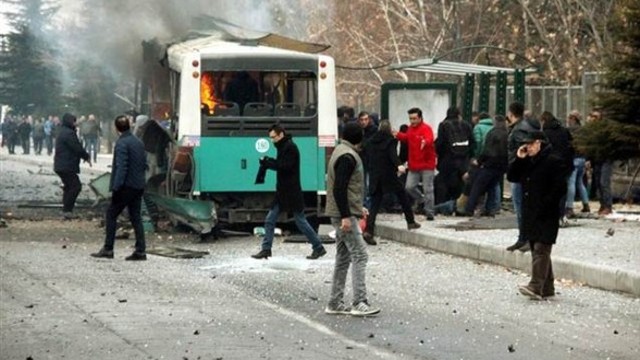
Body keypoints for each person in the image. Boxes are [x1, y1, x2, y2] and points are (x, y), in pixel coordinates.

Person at [325, 122, 380, 316]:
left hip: (340, 212)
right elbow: (340, 188)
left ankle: (335, 302)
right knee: (360, 255)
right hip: (343, 215)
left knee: (343, 257)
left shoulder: (340, 151)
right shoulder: (348, 157)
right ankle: (359, 302)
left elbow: (345, 188)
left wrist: (356, 208)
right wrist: (347, 216)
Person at [506, 130, 569, 300]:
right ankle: (547, 287)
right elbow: (513, 176)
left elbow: (560, 188)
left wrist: (547, 203)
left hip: (547, 212)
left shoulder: (553, 160)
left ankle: (535, 286)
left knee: (542, 247)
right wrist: (519, 159)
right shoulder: (528, 161)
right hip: (531, 212)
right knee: (536, 246)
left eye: (531, 144)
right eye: (526, 144)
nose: (529, 147)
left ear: (539, 143)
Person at [251, 124, 327, 260]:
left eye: (273, 137)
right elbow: (282, 164)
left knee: (300, 221)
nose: (272, 140)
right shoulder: (285, 146)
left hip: (290, 192)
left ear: (280, 135)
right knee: (271, 220)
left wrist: (268, 163)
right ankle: (266, 249)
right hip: (284, 191)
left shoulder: (290, 147)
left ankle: (318, 247)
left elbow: (285, 166)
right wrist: (269, 161)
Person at [91, 115, 148, 261]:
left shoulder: (122, 144)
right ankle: (141, 251)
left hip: (125, 187)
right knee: (136, 217)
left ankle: (108, 248)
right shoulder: (138, 142)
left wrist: (116, 187)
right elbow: (144, 164)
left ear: (116, 129)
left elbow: (122, 167)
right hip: (138, 185)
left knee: (111, 214)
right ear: (129, 126)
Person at [363, 120, 420, 245]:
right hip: (389, 175)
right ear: (389, 129)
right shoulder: (391, 141)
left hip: (375, 175)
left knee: (375, 205)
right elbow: (392, 155)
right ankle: (410, 221)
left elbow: (366, 156)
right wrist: (399, 165)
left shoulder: (371, 141)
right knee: (403, 196)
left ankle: (368, 231)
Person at [505, 102, 541, 252]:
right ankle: (524, 238)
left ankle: (525, 238)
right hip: (523, 173)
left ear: (512, 114)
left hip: (520, 173)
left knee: (522, 208)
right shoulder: (526, 126)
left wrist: (517, 161)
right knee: (523, 207)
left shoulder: (519, 130)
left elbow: (524, 150)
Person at [394, 107, 436, 220]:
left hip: (427, 163)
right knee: (409, 187)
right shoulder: (410, 129)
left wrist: (425, 142)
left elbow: (429, 139)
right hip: (414, 163)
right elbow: (407, 138)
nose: (412, 121)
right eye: (410, 119)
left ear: (420, 118)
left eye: (414, 118)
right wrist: (398, 135)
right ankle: (421, 200)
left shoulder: (426, 128)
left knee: (428, 188)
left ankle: (429, 212)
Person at [463, 115, 508, 215]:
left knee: (477, 186)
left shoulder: (492, 133)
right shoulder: (506, 133)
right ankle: (491, 209)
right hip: (501, 165)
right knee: (493, 186)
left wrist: (479, 161)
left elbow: (486, 150)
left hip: (490, 164)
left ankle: (469, 209)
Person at [53, 113, 91, 220]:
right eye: (74, 121)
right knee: (75, 186)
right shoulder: (69, 134)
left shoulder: (64, 131)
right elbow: (77, 147)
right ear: (70, 122)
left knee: (69, 187)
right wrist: (86, 156)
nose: (76, 123)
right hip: (66, 165)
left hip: (62, 164)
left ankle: (66, 210)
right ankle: (67, 210)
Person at [435, 107, 474, 205]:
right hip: (463, 161)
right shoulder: (466, 125)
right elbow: (472, 143)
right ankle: (458, 206)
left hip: (447, 160)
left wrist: (439, 156)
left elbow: (440, 144)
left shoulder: (443, 125)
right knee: (460, 184)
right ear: (458, 114)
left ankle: (443, 205)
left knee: (443, 183)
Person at [565, 111, 590, 216]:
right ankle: (586, 205)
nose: (567, 121)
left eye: (568, 118)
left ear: (573, 119)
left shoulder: (570, 130)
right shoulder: (584, 131)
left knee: (571, 183)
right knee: (580, 183)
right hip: (583, 159)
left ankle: (569, 207)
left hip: (574, 158)